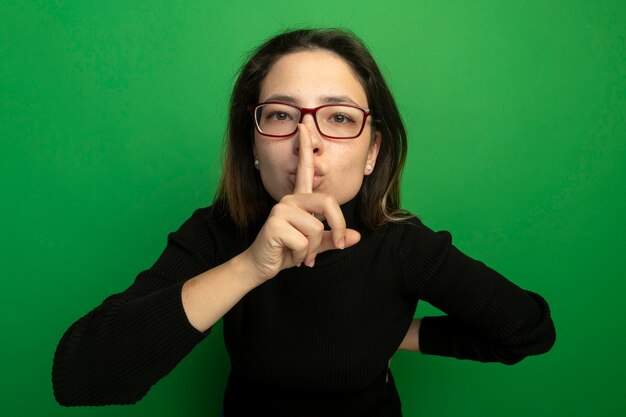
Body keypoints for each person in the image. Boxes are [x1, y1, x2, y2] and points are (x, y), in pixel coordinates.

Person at [52, 28, 556, 416]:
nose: (306, 141)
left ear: (371, 152)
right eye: (280, 116)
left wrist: (387, 332)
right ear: (253, 146)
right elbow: (79, 379)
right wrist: (250, 266)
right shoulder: (218, 231)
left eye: (337, 118)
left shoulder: (402, 245)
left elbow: (529, 330)